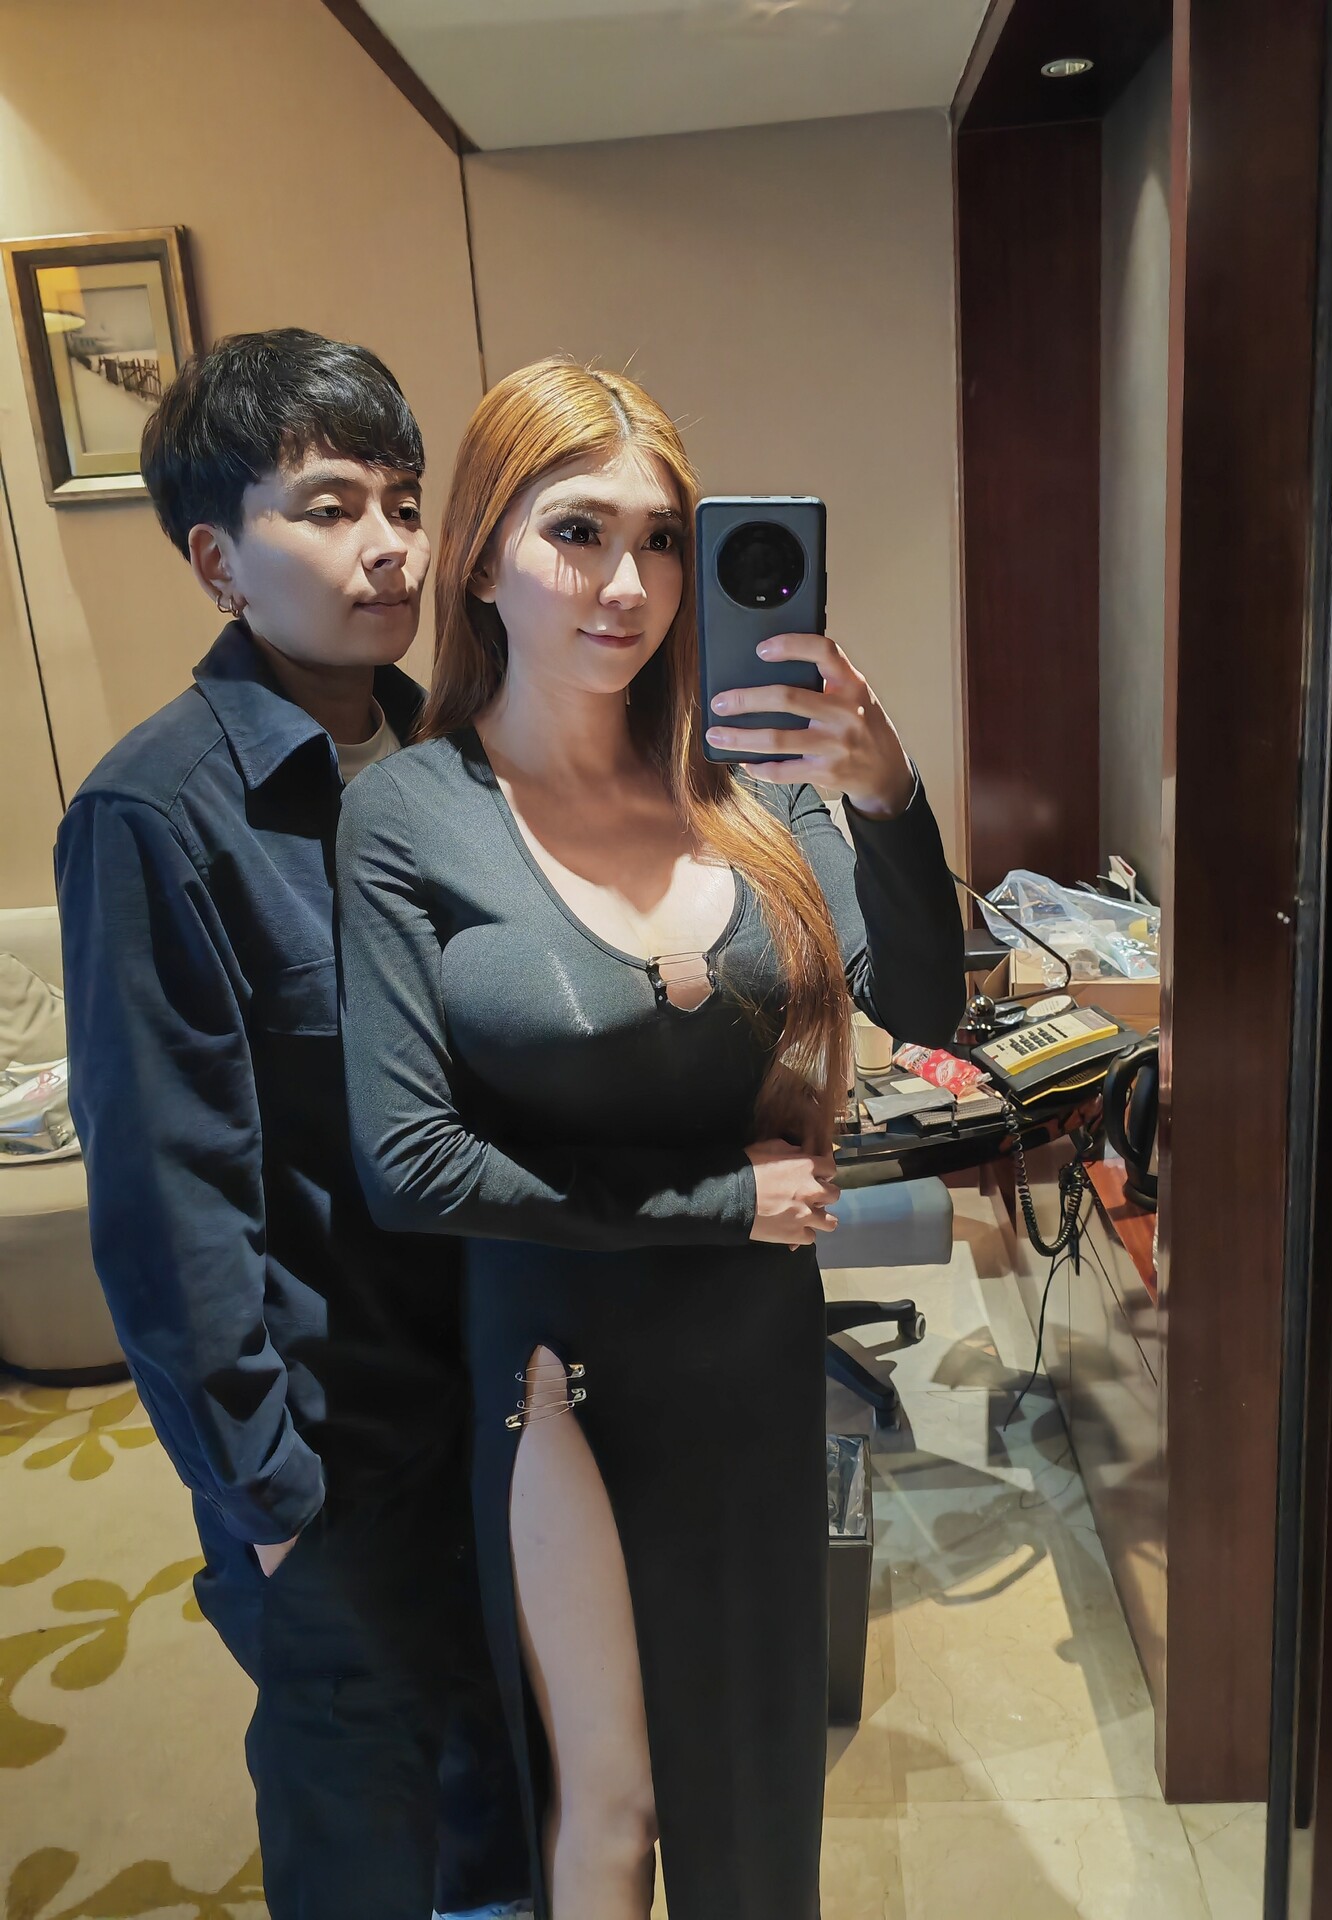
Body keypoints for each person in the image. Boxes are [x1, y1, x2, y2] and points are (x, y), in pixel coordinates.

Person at [335, 356, 966, 1920]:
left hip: (752, 1364)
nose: (628, 584)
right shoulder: (416, 815)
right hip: (562, 1368)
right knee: (604, 1815)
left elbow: (922, 1004)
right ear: (481, 557)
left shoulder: (751, 788)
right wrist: (716, 1204)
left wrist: (888, 794)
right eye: (576, 533)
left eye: (662, 539)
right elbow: (411, 1163)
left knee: (759, 1801)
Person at [55, 329, 529, 1920]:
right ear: (217, 562)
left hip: (502, 1397)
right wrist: (262, 1497)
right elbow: (167, 1200)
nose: (389, 543)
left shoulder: (458, 760)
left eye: (402, 500)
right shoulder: (154, 811)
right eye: (328, 507)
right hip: (330, 1450)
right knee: (366, 1826)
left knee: (509, 1793)